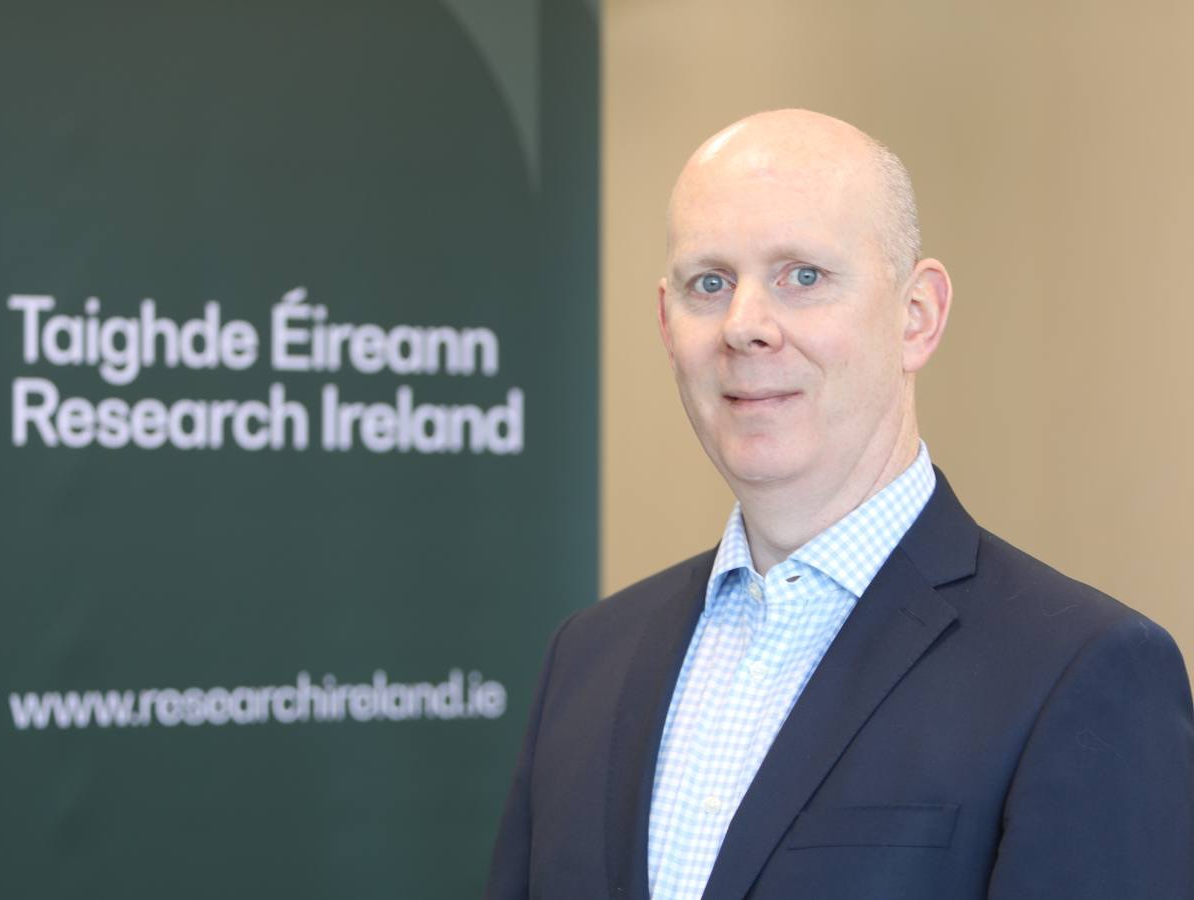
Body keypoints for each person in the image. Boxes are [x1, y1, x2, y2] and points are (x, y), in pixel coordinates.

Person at [485, 109, 1194, 899]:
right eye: (709, 283)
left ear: (917, 316)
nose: (745, 326)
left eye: (803, 277)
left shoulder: (1081, 673)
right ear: (665, 321)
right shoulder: (585, 659)